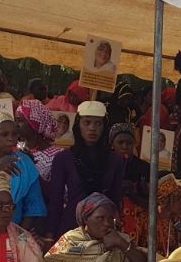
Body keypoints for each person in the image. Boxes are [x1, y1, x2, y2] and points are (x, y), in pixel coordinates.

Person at [48, 100, 124, 240]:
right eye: (87, 122)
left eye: (98, 123)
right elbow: (56, 201)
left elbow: (115, 199)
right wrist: (50, 237)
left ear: (104, 127)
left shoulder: (116, 160)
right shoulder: (63, 158)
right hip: (71, 229)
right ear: (78, 125)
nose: (92, 128)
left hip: (104, 229)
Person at [110, 123, 150, 247]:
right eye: (120, 142)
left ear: (134, 144)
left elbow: (150, 201)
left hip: (139, 222)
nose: (125, 146)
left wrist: (133, 194)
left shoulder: (144, 167)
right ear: (112, 144)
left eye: (129, 143)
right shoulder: (105, 165)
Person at [15, 99, 64, 200]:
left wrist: (30, 165)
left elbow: (57, 193)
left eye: (20, 121)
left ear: (35, 124)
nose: (15, 125)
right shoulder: (16, 149)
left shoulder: (57, 156)